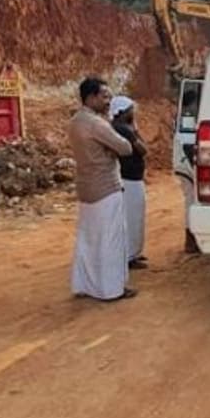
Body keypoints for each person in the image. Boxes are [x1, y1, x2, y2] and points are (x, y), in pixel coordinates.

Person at [67, 77, 136, 302]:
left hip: (86, 188)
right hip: (106, 187)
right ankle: (111, 289)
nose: (108, 101)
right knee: (111, 240)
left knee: (89, 239)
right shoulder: (96, 123)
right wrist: (111, 150)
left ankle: (85, 285)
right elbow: (125, 147)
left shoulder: (76, 120)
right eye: (104, 96)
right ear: (91, 97)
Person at [109, 96, 149, 269]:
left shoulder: (123, 128)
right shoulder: (123, 130)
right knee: (131, 218)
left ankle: (134, 253)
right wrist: (135, 130)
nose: (134, 113)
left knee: (135, 217)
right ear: (124, 111)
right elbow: (143, 149)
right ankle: (129, 256)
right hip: (129, 179)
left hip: (132, 178)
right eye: (131, 110)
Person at [177, 87, 201, 254]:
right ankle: (190, 242)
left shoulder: (186, 117)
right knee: (191, 203)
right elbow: (187, 143)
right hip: (185, 165)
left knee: (192, 202)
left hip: (185, 164)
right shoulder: (186, 119)